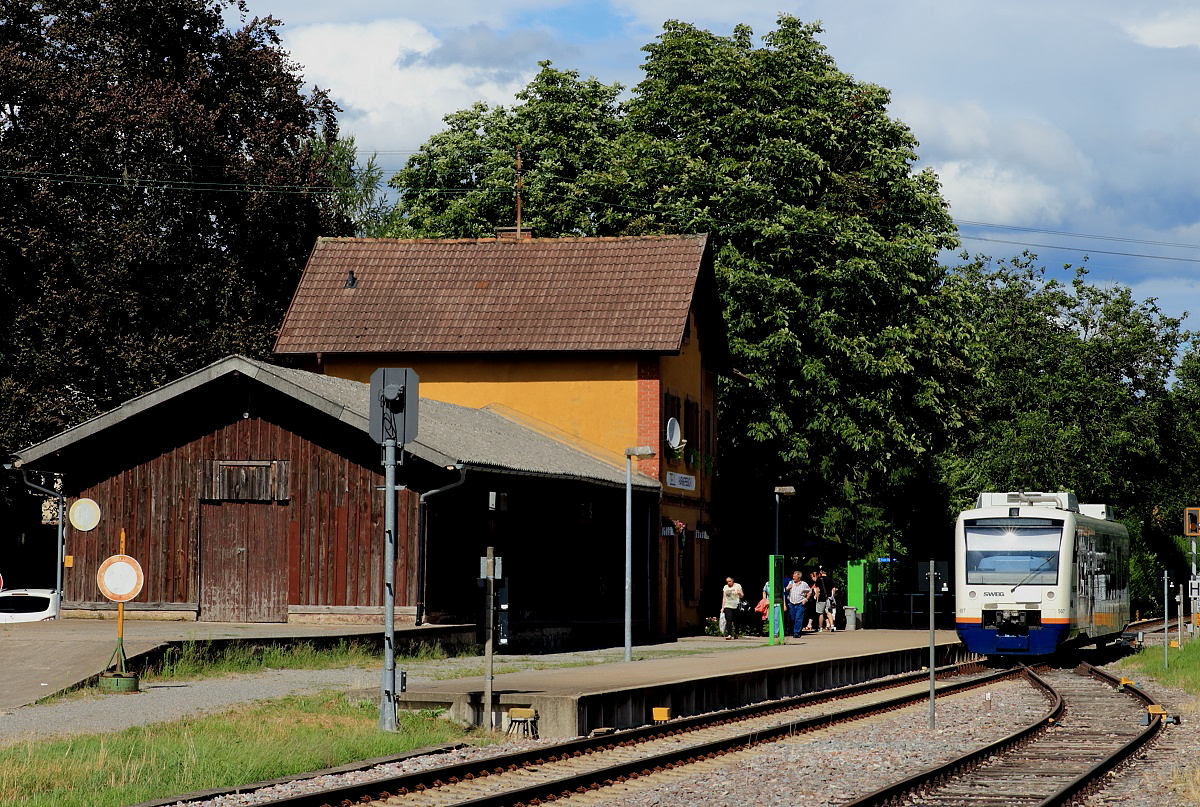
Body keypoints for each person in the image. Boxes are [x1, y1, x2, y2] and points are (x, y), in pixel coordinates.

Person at [783, 570, 810, 638]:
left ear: (799, 577)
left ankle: (796, 632)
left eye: (795, 576)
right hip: (792, 603)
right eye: (793, 576)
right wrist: (788, 588)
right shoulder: (791, 583)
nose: (793, 577)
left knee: (798, 618)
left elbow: (809, 592)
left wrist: (806, 599)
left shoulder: (804, 584)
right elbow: (786, 591)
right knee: (792, 618)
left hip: (800, 604)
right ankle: (792, 630)